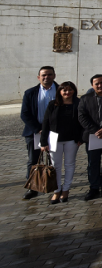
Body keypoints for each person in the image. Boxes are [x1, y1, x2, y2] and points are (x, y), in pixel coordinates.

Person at [40, 81, 82, 204]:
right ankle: (56, 190)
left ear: (74, 91)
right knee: (55, 166)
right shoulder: (53, 104)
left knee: (69, 165)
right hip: (54, 140)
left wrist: (81, 138)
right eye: (64, 90)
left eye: (70, 90)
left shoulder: (78, 104)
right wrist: (43, 142)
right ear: (60, 91)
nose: (67, 92)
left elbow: (82, 123)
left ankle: (66, 190)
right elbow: (46, 123)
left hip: (72, 140)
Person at [20, 66, 58, 200]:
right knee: (33, 161)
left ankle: (54, 186)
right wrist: (38, 129)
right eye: (43, 75)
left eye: (49, 75)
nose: (46, 77)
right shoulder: (30, 93)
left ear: (54, 76)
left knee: (54, 160)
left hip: (55, 132)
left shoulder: (61, 91)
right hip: (35, 132)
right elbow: (25, 114)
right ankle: (32, 187)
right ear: (38, 77)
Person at [78, 74, 102, 201]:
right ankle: (94, 187)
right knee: (93, 163)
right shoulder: (85, 98)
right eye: (97, 84)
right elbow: (82, 116)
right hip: (93, 136)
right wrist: (96, 130)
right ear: (92, 85)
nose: (99, 85)